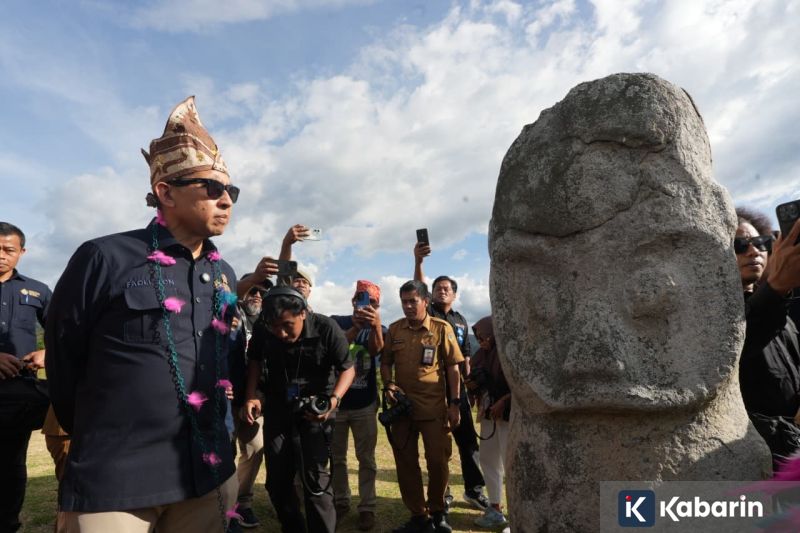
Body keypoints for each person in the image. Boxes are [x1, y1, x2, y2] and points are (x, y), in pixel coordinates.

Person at [45, 96, 240, 532]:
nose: (226, 199)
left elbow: (230, 361)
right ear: (165, 192)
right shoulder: (104, 257)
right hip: (117, 479)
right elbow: (63, 359)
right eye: (211, 187)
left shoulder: (223, 273)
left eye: (231, 190)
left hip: (207, 475)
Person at [243, 287, 355, 533]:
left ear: (303, 313)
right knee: (277, 483)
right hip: (278, 408)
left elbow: (348, 368)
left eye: (287, 325)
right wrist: (251, 396)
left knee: (315, 481)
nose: (281, 333)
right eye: (274, 326)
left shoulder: (327, 328)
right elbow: (254, 361)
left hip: (316, 412)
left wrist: (333, 401)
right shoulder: (264, 328)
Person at [381, 280, 464, 533]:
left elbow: (453, 368)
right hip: (402, 411)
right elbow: (385, 363)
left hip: (433, 409)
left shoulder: (441, 328)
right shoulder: (394, 330)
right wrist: (389, 384)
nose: (407, 306)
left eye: (412, 301)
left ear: (425, 301)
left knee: (438, 462)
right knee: (406, 464)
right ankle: (418, 516)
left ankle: (438, 512)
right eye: (404, 301)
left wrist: (455, 404)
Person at [413, 243, 488, 511]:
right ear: (430, 295)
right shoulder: (428, 313)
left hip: (459, 392)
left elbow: (465, 355)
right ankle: (442, 492)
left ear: (454, 294)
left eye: (446, 288)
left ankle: (474, 490)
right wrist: (419, 261)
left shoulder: (460, 320)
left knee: (468, 443)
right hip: (433, 390)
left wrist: (470, 385)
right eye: (437, 288)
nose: (441, 291)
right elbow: (418, 286)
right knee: (438, 445)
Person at [736, 207, 800, 466]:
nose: (753, 251)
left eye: (760, 242)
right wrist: (777, 286)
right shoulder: (712, 314)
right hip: (762, 463)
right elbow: (741, 339)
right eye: (739, 245)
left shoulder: (783, 310)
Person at [0, 222, 51, 533]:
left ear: (22, 253)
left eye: (9, 250)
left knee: (10, 466)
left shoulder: (38, 290)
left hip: (19, 394)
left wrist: (49, 353)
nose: (2, 256)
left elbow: (64, 332)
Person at [329, 280, 386, 531]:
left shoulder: (379, 326)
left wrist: (374, 326)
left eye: (372, 302)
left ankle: (367, 507)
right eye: (362, 299)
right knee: (337, 458)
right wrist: (354, 327)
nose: (366, 305)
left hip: (365, 403)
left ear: (378, 305)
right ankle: (341, 502)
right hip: (338, 403)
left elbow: (375, 351)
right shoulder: (336, 322)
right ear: (353, 301)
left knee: (367, 459)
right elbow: (336, 350)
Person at [229, 281, 271, 531]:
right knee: (224, 452)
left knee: (255, 449)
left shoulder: (269, 323)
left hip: (254, 399)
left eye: (262, 292)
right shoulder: (229, 314)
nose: (257, 295)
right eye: (252, 290)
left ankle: (242, 502)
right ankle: (221, 504)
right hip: (225, 395)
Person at [468, 317, 510, 529]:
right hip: (488, 416)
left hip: (507, 417)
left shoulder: (507, 354)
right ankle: (495, 507)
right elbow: (474, 378)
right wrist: (474, 389)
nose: (481, 341)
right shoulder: (480, 356)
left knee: (510, 464)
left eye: (484, 337)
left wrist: (503, 401)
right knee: (488, 460)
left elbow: (517, 385)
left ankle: (518, 512)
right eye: (478, 337)